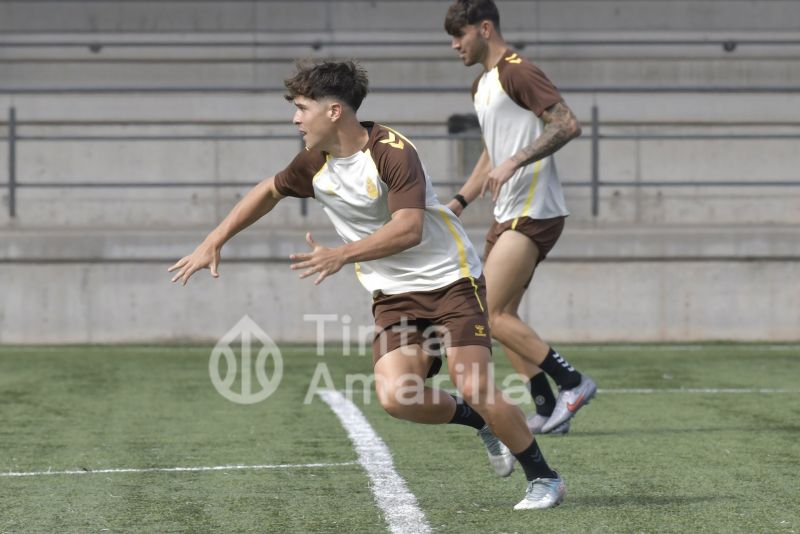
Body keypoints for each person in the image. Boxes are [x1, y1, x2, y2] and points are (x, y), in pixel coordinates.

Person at [168, 60, 565, 510]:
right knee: (398, 398)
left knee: (473, 382)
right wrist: (213, 241)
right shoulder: (314, 162)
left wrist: (340, 254)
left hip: (450, 281)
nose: (295, 118)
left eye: (302, 108)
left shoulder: (392, 152)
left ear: (334, 111)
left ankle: (543, 477)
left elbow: (409, 229)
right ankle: (481, 423)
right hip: (394, 296)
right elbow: (268, 190)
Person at [444, 0, 596, 435]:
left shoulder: (517, 71)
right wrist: (458, 202)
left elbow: (566, 124)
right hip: (506, 212)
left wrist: (516, 161)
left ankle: (574, 382)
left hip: (534, 211)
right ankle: (548, 407)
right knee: (505, 313)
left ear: (485, 28)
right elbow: (492, 151)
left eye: (460, 35)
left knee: (488, 313)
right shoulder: (482, 86)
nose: (455, 45)